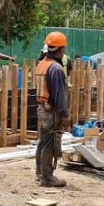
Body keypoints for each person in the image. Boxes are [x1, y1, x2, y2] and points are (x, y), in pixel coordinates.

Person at [34, 31, 70, 187]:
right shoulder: (56, 68)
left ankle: (40, 172)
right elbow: (59, 94)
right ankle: (47, 177)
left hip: (42, 108)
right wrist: (65, 115)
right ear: (61, 50)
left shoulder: (42, 64)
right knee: (49, 143)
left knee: (42, 141)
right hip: (51, 111)